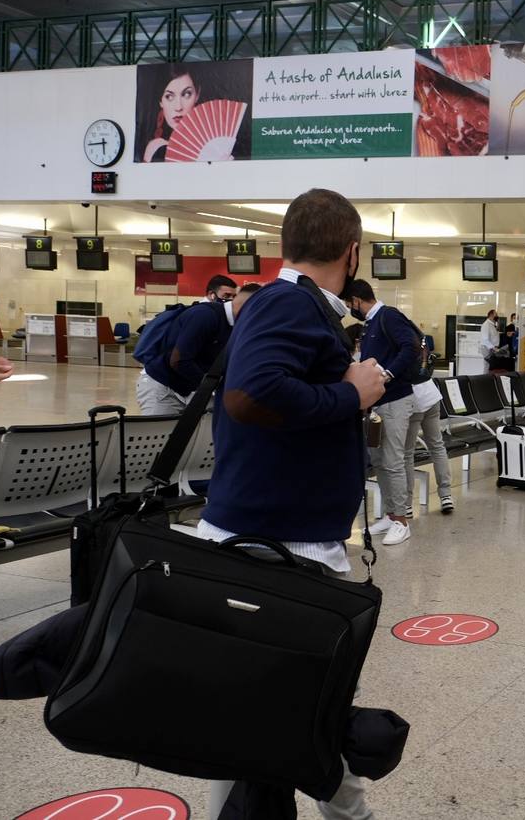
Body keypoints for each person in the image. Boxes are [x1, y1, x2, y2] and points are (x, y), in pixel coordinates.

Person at [198, 187, 388, 820]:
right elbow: (250, 395)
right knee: (313, 713)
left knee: (245, 718)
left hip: (269, 535)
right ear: (353, 251)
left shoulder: (292, 304)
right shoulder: (290, 304)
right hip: (282, 551)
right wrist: (349, 396)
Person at [346, 279, 421, 547]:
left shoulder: (388, 316)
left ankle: (402, 521)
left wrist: (388, 373)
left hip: (396, 401)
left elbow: (410, 347)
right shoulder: (371, 325)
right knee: (379, 460)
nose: (348, 308)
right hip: (378, 403)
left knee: (392, 460)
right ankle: (391, 515)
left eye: (348, 303)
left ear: (356, 300)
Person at [135, 277, 246, 414]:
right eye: (227, 296)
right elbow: (179, 360)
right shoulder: (204, 315)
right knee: (160, 433)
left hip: (190, 386)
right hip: (163, 385)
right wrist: (211, 386)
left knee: (204, 433)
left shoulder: (235, 324)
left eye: (233, 295)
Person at [406, 377, 456, 517]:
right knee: (437, 446)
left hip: (413, 400)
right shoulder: (415, 354)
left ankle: (406, 504)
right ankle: (446, 496)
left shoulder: (397, 356)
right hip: (431, 395)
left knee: (407, 453)